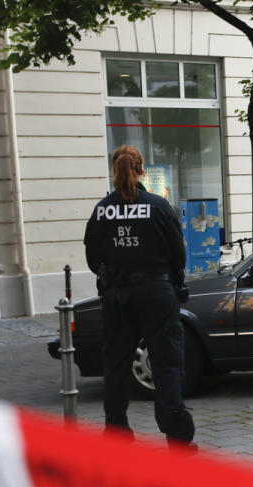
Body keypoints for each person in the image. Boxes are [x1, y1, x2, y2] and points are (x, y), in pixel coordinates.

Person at [84, 145, 196, 450]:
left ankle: (117, 434)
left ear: (114, 170)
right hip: (157, 293)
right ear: (141, 169)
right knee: (167, 365)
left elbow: (93, 258)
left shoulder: (102, 210)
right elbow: (178, 254)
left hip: (117, 295)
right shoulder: (158, 206)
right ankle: (177, 437)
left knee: (116, 366)